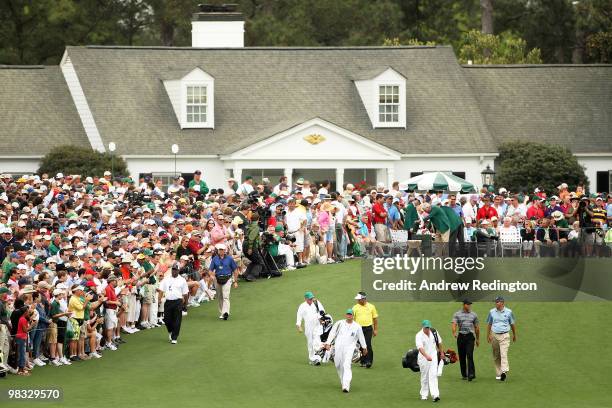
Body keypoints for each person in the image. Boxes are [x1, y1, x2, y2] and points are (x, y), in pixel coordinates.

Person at [323, 309, 367, 393]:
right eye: (347, 314)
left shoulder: (357, 326)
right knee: (338, 365)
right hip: (338, 347)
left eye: (350, 314)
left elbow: (361, 338)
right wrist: (328, 343)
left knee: (346, 365)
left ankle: (346, 385)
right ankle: (343, 381)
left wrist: (364, 348)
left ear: (353, 316)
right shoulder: (339, 323)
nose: (349, 316)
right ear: (345, 315)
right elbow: (332, 333)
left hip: (350, 348)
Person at [486, 296, 517, 381]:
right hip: (494, 335)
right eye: (495, 302)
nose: (496, 303)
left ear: (502, 303)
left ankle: (504, 372)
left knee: (503, 354)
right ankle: (499, 373)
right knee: (496, 355)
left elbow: (512, 323)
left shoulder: (509, 312)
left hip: (505, 335)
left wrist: (514, 334)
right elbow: (489, 324)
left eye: (497, 302)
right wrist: (488, 335)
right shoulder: (491, 312)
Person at [157, 264, 189, 344]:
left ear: (178, 271)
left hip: (178, 301)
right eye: (173, 270)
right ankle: (170, 331)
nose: (174, 271)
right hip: (168, 301)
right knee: (167, 319)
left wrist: (185, 305)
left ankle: (174, 337)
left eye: (175, 270)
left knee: (177, 320)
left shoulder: (182, 280)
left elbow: (185, 293)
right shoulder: (166, 279)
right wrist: (159, 299)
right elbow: (161, 290)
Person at [451, 299, 480, 381]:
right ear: (463, 305)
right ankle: (464, 374)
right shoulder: (457, 314)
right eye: (468, 304)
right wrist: (454, 332)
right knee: (462, 356)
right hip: (461, 337)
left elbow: (477, 328)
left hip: (470, 337)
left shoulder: (474, 315)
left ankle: (471, 374)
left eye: (470, 304)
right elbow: (454, 324)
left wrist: (477, 339)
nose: (469, 306)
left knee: (469, 355)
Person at [416, 319, 443, 402]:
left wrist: (441, 353)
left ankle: (435, 395)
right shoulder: (419, 335)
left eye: (428, 327)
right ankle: (424, 394)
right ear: (423, 327)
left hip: (433, 356)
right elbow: (420, 348)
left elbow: (440, 342)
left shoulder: (434, 332)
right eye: (426, 328)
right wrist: (426, 356)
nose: (427, 329)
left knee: (433, 374)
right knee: (424, 376)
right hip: (423, 358)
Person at [209, 243, 238, 320]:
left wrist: (235, 281)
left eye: (222, 249)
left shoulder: (230, 259)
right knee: (219, 296)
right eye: (220, 249)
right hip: (217, 279)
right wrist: (211, 275)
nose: (221, 251)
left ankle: (226, 313)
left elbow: (235, 270)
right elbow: (210, 269)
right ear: (218, 250)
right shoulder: (215, 259)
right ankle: (222, 312)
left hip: (227, 278)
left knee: (225, 296)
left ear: (225, 250)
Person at [295, 291, 325, 365]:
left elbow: (322, 311)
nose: (311, 300)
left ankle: (317, 356)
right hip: (308, 327)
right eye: (309, 299)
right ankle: (313, 359)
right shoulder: (302, 306)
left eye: (312, 298)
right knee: (310, 343)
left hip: (317, 325)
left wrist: (322, 319)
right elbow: (299, 317)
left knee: (317, 341)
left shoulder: (316, 302)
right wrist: (299, 326)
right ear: (305, 299)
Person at [352, 291, 378, 368]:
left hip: (368, 328)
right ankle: (362, 361)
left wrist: (375, 329)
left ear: (364, 299)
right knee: (360, 345)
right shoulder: (355, 307)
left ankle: (369, 361)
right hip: (358, 329)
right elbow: (352, 320)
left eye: (359, 299)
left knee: (367, 344)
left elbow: (375, 319)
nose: (357, 300)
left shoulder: (371, 307)